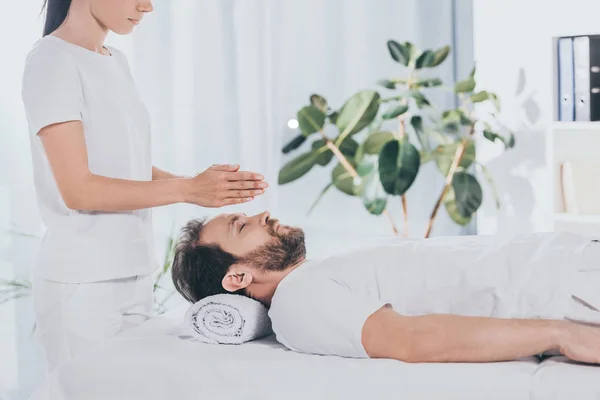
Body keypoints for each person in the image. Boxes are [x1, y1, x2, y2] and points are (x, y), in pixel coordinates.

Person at [21, 0, 268, 372]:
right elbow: (79, 189)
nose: (147, 7)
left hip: (133, 272)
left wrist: (205, 185)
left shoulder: (113, 60)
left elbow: (125, 163)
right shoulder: (52, 61)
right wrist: (188, 190)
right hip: (83, 282)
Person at [171, 211, 600, 365]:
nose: (263, 214)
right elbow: (410, 340)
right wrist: (559, 334)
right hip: (568, 289)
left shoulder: (315, 274)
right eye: (242, 226)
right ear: (238, 278)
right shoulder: (297, 303)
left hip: (571, 259)